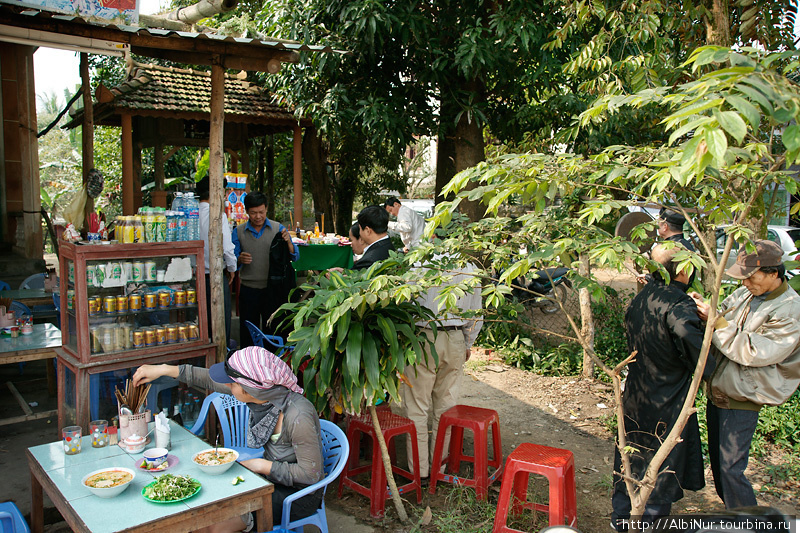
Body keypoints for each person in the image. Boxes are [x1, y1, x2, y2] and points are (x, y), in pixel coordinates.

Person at [132, 346, 323, 533]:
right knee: (199, 516)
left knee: (215, 525)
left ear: (249, 391)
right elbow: (208, 379)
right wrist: (164, 369)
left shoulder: (298, 415)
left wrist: (260, 465)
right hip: (269, 481)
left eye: (231, 384)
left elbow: (310, 475)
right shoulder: (265, 396)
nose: (228, 387)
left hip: (298, 495)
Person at [612, 244, 714, 532]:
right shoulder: (679, 304)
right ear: (683, 269)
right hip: (666, 401)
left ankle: (622, 521)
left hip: (636, 396)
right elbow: (688, 339)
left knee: (630, 465)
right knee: (658, 474)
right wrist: (707, 343)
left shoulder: (642, 297)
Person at [691, 240, 800, 509]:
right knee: (720, 467)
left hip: (744, 393)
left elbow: (752, 352)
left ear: (774, 273)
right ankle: (737, 517)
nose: (746, 283)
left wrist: (715, 322)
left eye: (751, 277)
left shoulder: (790, 309)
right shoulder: (746, 294)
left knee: (731, 469)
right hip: (720, 388)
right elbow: (722, 313)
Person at [396, 255, 483, 485]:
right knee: (445, 408)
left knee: (417, 407)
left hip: (421, 337)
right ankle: (439, 467)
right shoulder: (470, 267)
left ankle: (420, 472)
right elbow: (476, 315)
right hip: (454, 336)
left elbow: (403, 305)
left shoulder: (418, 263)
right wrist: (467, 343)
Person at [232, 192, 298, 345]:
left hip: (272, 290)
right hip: (249, 290)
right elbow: (231, 261)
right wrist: (239, 259)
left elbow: (295, 256)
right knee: (248, 331)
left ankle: (271, 364)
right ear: (247, 211)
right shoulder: (239, 231)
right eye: (253, 213)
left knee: (272, 330)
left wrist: (288, 242)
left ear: (266, 209)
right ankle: (248, 364)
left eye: (261, 212)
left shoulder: (278, 229)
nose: (258, 216)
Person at [197, 177, 236, 345]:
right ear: (217, 193)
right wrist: (232, 268)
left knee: (201, 326)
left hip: (194, 278)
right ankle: (220, 364)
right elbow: (227, 248)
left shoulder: (189, 214)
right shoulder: (218, 215)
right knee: (220, 326)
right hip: (215, 278)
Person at [352, 205, 394, 270]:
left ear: (367, 230)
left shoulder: (368, 261)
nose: (360, 233)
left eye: (360, 229)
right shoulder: (389, 246)